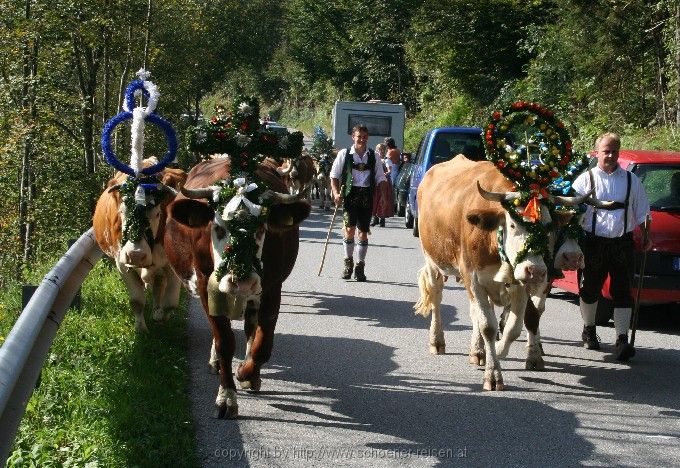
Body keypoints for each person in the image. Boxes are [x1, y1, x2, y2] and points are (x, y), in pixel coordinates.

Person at [572, 132, 652, 361]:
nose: (610, 155)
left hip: (622, 243)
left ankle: (622, 339)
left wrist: (647, 236)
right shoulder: (584, 180)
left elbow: (643, 213)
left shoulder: (631, 180)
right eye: (606, 151)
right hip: (593, 243)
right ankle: (589, 330)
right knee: (589, 290)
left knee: (623, 292)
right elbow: (573, 214)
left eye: (614, 151)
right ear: (597, 152)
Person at [330, 125, 388, 281]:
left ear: (367, 138)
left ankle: (360, 267)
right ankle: (348, 265)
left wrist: (382, 196)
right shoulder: (344, 154)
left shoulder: (374, 156)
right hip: (350, 195)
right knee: (349, 230)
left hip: (367, 197)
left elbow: (381, 177)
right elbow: (334, 175)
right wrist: (336, 193)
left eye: (364, 137)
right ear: (353, 137)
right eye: (359, 136)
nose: (362, 139)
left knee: (362, 232)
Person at [370, 143, 393, 227]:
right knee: (374, 199)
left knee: (382, 200)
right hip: (376, 182)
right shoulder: (374, 159)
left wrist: (384, 173)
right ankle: (374, 218)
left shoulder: (387, 160)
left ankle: (382, 220)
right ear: (377, 150)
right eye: (379, 149)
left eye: (383, 150)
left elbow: (389, 170)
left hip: (384, 183)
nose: (381, 151)